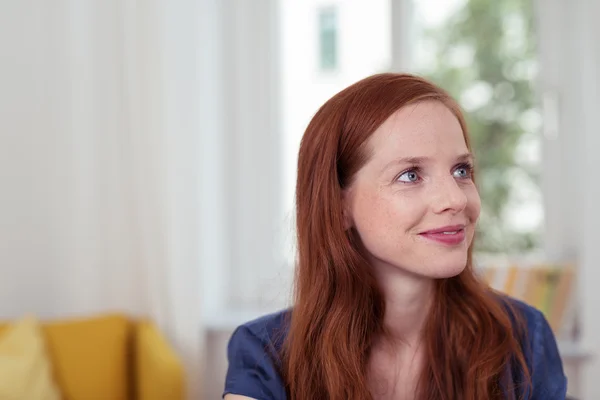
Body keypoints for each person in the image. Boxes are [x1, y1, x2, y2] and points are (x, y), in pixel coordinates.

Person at [223, 73, 567, 400]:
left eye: (461, 170)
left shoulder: (523, 338)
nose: (456, 199)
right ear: (339, 205)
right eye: (410, 175)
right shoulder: (266, 353)